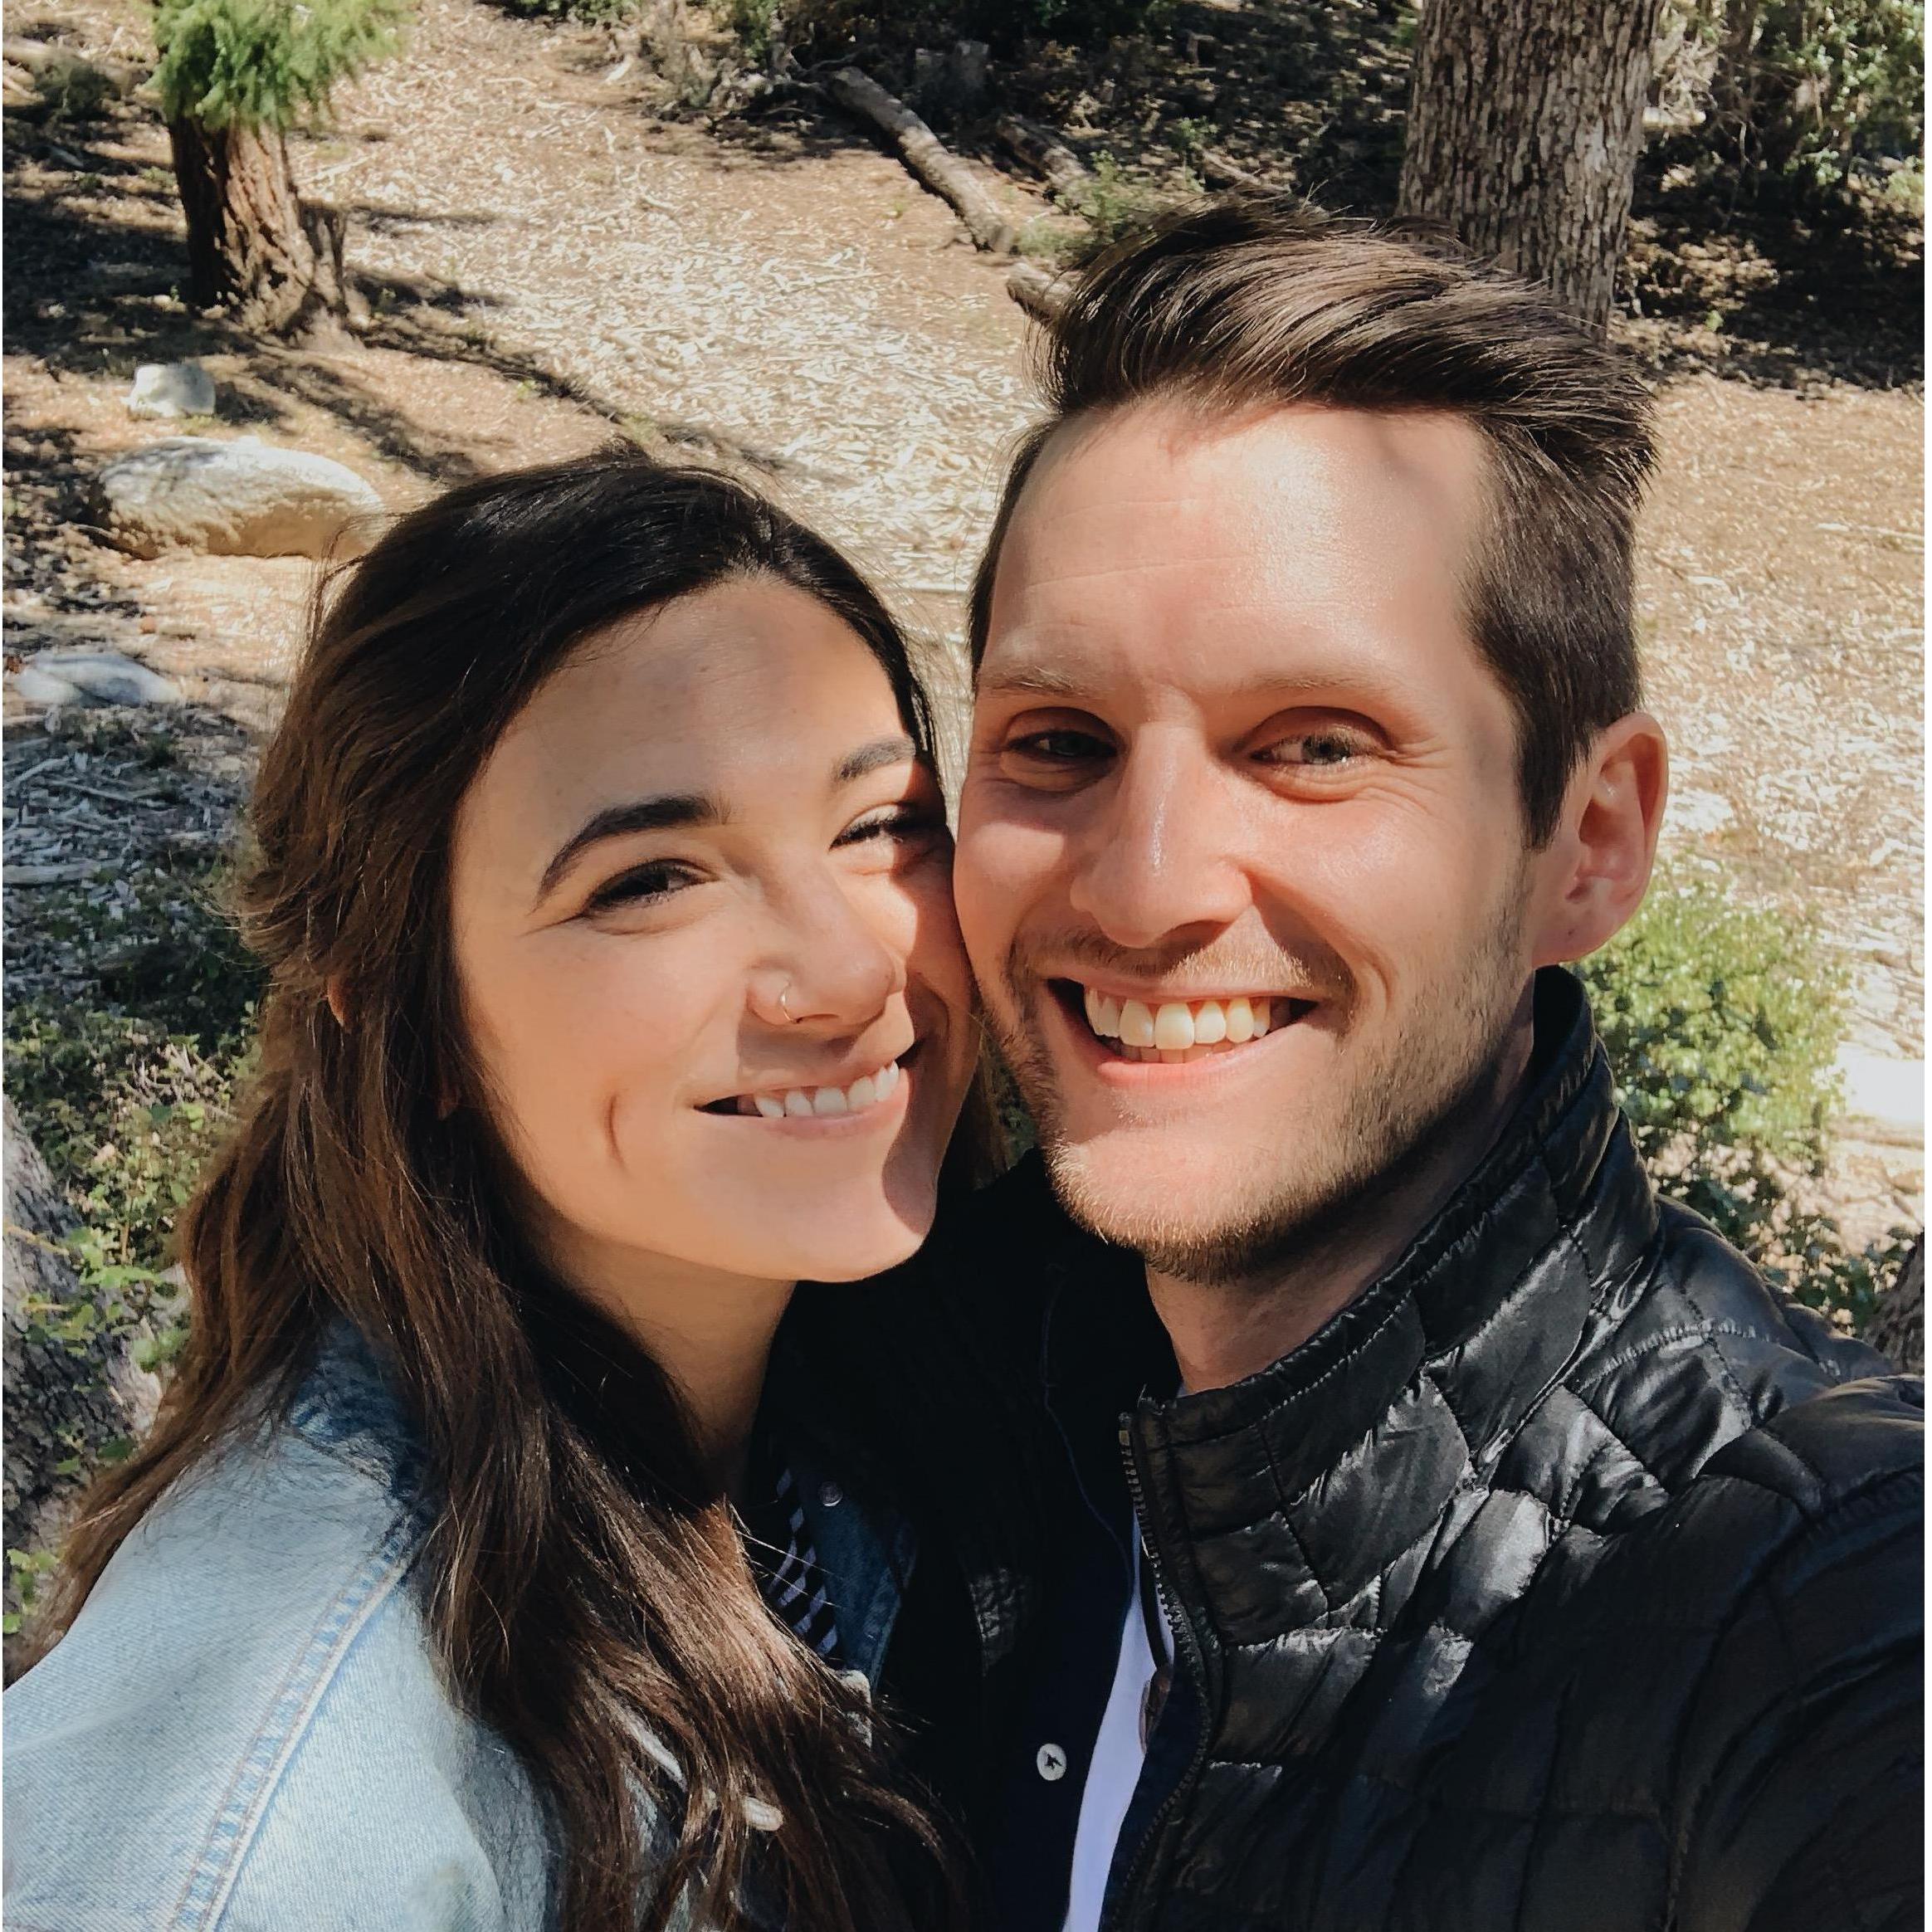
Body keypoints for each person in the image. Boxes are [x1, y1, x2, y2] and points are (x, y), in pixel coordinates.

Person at [950, 198, 1924, 1932]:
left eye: (1315, 745)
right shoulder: (929, 1395)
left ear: (1589, 843)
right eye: (1060, 741)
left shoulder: (1816, 1586)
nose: (1143, 888)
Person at [5, 450, 1040, 1932]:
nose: (847, 971)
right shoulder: (291, 1800)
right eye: (651, 879)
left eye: (879, 824)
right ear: (413, 1021)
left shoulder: (869, 1401)